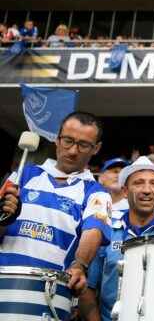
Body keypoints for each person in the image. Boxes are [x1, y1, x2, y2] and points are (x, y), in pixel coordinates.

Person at [0, 112, 112, 295]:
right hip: (5, 281)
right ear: (57, 140)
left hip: (49, 294)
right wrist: (3, 218)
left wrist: (79, 265)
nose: (73, 151)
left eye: (83, 145)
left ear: (96, 148)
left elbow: (93, 232)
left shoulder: (97, 193)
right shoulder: (22, 176)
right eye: (68, 140)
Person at [79, 156, 154, 321]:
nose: (147, 190)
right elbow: (88, 288)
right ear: (125, 191)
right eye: (138, 183)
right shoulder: (106, 230)